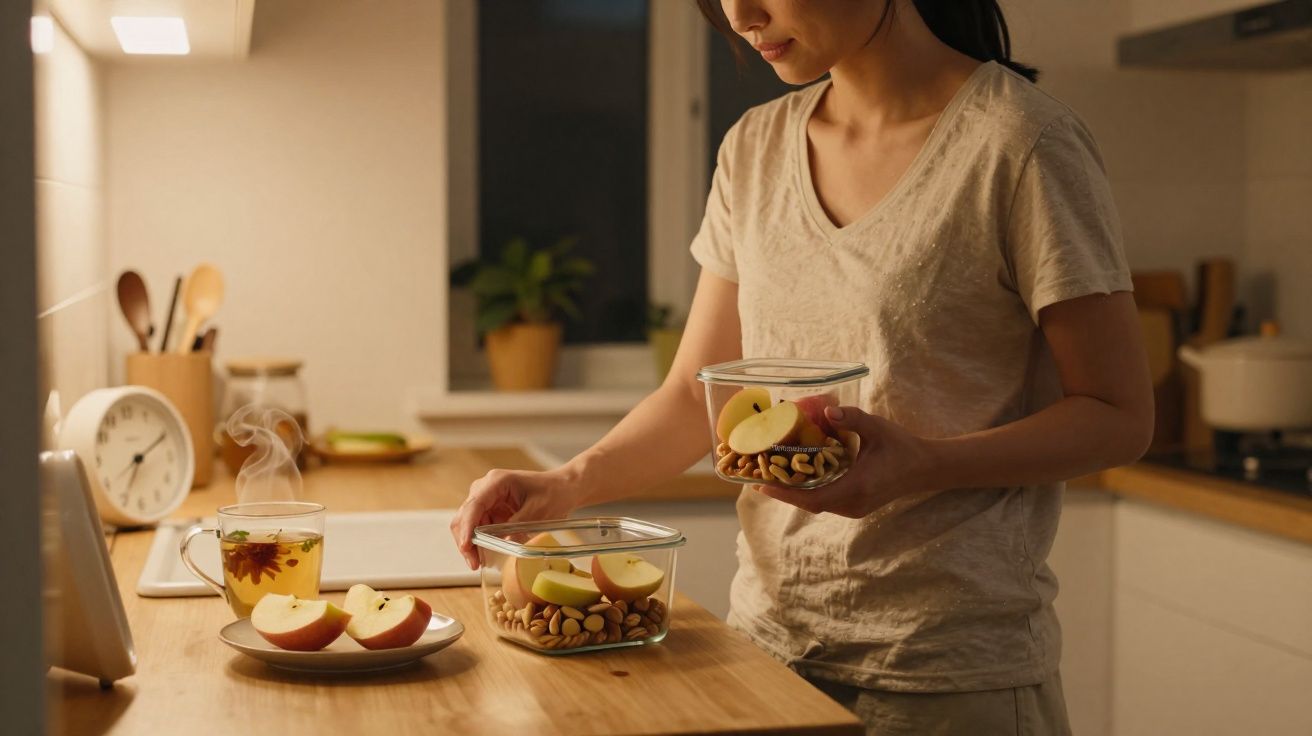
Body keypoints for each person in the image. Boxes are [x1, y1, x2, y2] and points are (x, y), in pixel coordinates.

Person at [451, 1, 1153, 733]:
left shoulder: (1022, 143)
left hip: (947, 676)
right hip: (766, 653)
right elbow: (696, 398)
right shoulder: (753, 148)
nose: (741, 15)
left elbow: (1119, 415)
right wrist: (565, 484)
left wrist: (924, 464)